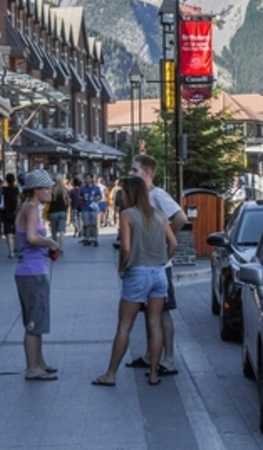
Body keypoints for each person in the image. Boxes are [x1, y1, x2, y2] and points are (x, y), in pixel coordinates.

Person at [92, 176, 178, 387]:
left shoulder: (127, 215)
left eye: (124, 192)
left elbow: (126, 248)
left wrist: (122, 267)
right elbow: (173, 243)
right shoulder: (159, 215)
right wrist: (162, 260)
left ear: (130, 194)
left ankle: (110, 374)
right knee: (155, 323)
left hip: (137, 272)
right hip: (159, 274)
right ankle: (154, 374)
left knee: (125, 325)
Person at [124, 153, 187, 376]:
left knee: (163, 312)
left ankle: (168, 360)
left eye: (134, 170)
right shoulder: (141, 197)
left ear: (147, 173)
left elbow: (180, 217)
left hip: (160, 265)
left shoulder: (158, 195)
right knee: (150, 312)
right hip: (145, 264)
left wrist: (164, 240)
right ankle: (151, 355)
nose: (131, 174)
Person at [14, 169, 61, 381]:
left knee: (38, 319)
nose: (50, 191)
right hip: (32, 271)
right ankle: (32, 368)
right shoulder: (31, 209)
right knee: (34, 321)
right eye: (46, 188)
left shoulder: (28, 208)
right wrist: (50, 242)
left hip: (32, 269)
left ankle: (39, 361)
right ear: (36, 191)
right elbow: (32, 237)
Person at [0, 173, 21, 258]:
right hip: (15, 212)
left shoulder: (4, 190)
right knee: (17, 231)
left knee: (8, 233)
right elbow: (19, 201)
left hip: (6, 212)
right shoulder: (16, 190)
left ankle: (11, 252)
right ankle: (17, 247)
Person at [79, 173, 102, 247]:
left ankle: (95, 239)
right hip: (85, 207)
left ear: (92, 179)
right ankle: (87, 239)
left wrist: (97, 198)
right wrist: (82, 198)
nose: (87, 180)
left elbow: (100, 196)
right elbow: (79, 196)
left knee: (94, 224)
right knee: (86, 224)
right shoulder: (83, 188)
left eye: (88, 178)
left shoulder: (96, 188)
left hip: (93, 208)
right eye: (86, 178)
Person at [48, 177, 70, 251]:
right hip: (62, 211)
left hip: (53, 211)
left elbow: (48, 200)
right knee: (62, 231)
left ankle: (54, 246)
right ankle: (61, 247)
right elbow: (68, 201)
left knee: (53, 231)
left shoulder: (52, 190)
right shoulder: (65, 190)